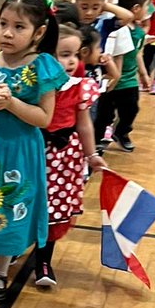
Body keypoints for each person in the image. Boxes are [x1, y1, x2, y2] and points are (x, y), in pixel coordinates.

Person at [0, 0, 66, 301]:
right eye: (3, 23)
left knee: (9, 210)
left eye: (19, 27)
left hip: (21, 152)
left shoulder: (42, 67)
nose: (7, 33)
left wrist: (12, 104)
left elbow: (44, 118)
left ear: (39, 32)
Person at [35, 23, 106, 288]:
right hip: (34, 152)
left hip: (64, 158)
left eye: (74, 55)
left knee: (54, 208)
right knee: (27, 202)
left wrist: (91, 155)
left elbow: (84, 123)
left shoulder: (80, 87)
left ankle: (43, 260)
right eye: (63, 54)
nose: (70, 61)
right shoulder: (34, 85)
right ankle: (14, 248)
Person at [94, 0, 152, 153]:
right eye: (147, 5)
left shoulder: (139, 32)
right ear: (135, 8)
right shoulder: (118, 28)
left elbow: (138, 54)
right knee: (104, 114)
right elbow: (114, 55)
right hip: (111, 80)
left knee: (131, 109)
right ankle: (97, 139)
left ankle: (121, 132)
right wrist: (113, 76)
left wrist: (143, 74)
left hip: (129, 81)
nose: (148, 10)